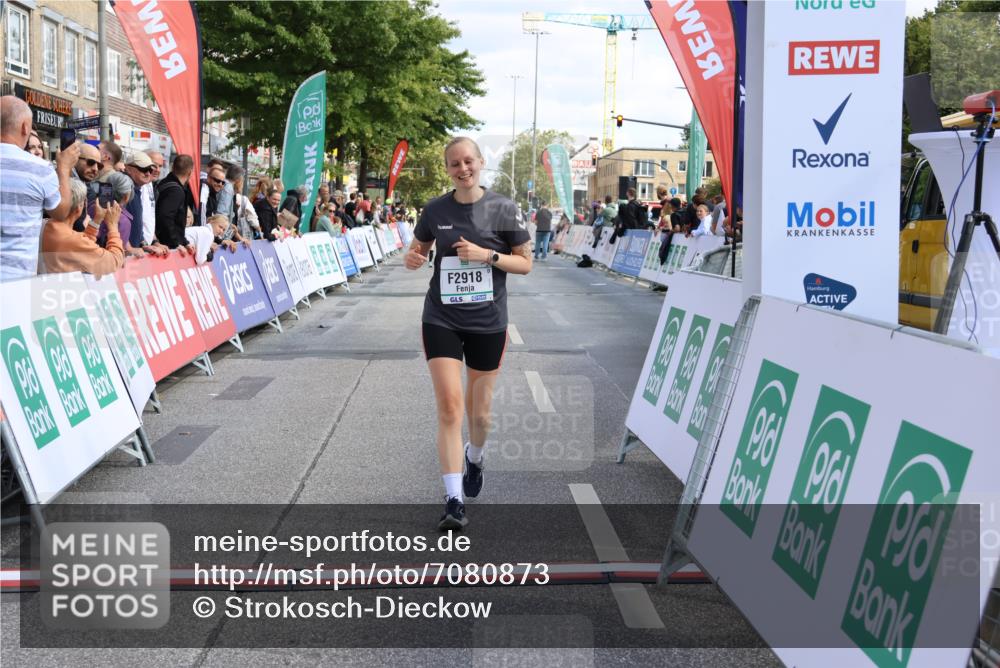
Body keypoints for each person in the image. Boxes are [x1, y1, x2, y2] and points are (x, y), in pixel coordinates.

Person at [403, 136, 532, 530]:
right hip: (441, 316)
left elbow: (526, 263)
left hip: (488, 322)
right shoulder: (435, 209)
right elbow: (419, 247)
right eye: (455, 164)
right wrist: (414, 257)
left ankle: (474, 457)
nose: (463, 169)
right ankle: (453, 499)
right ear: (448, 169)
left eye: (469, 161)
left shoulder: (503, 209)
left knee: (480, 414)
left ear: (480, 163)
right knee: (449, 407)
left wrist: (488, 256)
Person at [0, 95, 78, 282]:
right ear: (25, 127)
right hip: (17, 280)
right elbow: (60, 212)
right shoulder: (39, 169)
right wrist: (64, 169)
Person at [39, 180, 125, 277]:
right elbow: (114, 262)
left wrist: (96, 221)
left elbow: (80, 246)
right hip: (61, 289)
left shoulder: (42, 225)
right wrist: (113, 227)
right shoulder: (72, 240)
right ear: (79, 207)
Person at [155, 154, 196, 253]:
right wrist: (175, 243)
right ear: (190, 172)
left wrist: (185, 242)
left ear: (173, 167)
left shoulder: (163, 183)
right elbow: (166, 217)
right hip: (166, 247)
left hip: (161, 242)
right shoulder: (176, 191)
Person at [124, 152, 153, 251]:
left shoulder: (136, 189)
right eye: (143, 169)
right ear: (128, 168)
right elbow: (114, 224)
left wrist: (143, 244)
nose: (148, 173)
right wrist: (129, 249)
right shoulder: (123, 188)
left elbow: (136, 224)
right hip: (121, 255)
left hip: (132, 254)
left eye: (150, 169)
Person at [71, 142, 102, 231]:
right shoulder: (64, 182)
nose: (95, 169)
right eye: (91, 162)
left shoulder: (82, 183)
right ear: (75, 158)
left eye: (99, 165)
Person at [139, 151, 165, 245]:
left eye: (160, 166)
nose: (158, 170)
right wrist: (142, 244)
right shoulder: (137, 186)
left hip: (147, 246)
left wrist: (155, 241)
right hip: (138, 248)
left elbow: (149, 219)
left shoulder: (152, 187)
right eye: (154, 165)